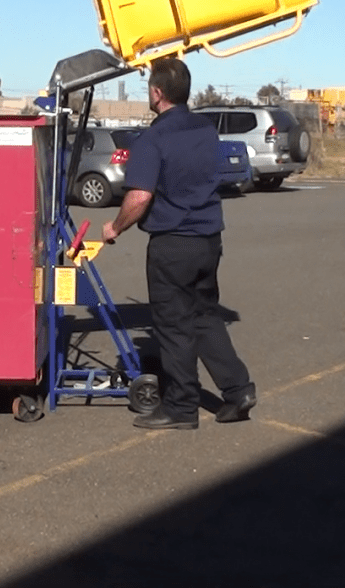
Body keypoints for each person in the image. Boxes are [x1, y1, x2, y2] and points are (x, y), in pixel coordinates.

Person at [102, 57, 256, 430]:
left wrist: (115, 227)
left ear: (156, 93)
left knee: (172, 326)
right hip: (207, 238)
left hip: (173, 243)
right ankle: (238, 390)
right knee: (205, 316)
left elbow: (139, 196)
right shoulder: (205, 130)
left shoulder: (153, 138)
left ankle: (181, 406)